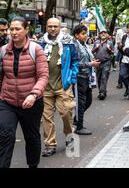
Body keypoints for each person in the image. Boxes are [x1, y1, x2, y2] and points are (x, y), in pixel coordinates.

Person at [0, 17, 49, 168]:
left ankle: (33, 166)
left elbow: (43, 75)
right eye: (11, 29)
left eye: (17, 29)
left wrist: (34, 94)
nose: (13, 32)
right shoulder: (3, 51)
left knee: (32, 137)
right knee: (5, 136)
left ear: (26, 30)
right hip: (7, 102)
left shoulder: (36, 49)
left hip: (31, 102)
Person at [39, 18, 79, 157]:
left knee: (66, 113)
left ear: (59, 27)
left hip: (63, 85)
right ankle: (50, 144)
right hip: (45, 87)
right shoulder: (41, 43)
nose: (53, 29)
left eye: (55, 26)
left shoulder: (69, 42)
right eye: (50, 26)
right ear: (46, 27)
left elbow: (75, 61)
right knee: (47, 117)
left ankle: (69, 137)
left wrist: (71, 79)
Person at [73, 25, 100, 135]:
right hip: (79, 77)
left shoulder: (85, 45)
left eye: (86, 33)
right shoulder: (75, 46)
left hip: (87, 77)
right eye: (83, 34)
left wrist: (92, 60)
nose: (85, 36)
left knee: (88, 101)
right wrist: (90, 64)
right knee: (81, 102)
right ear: (76, 35)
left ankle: (76, 119)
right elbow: (75, 63)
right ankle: (79, 126)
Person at [92, 30, 114, 100]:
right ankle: (101, 91)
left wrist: (109, 49)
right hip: (98, 62)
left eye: (105, 33)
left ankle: (102, 93)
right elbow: (92, 51)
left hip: (106, 62)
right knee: (98, 78)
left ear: (107, 35)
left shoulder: (110, 42)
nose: (103, 34)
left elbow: (113, 53)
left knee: (104, 77)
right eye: (101, 33)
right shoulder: (96, 42)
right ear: (99, 35)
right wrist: (96, 47)